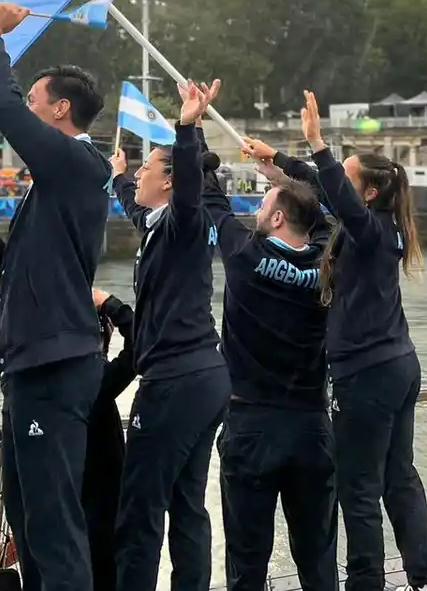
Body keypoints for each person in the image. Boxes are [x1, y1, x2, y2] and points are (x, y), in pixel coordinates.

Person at [0, 0, 111, 591]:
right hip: (34, 364)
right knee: (31, 522)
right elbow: (31, 268)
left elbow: (3, 106)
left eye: (38, 103)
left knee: (53, 524)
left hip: (54, 367)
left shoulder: (76, 162)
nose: (27, 111)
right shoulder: (57, 183)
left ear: (60, 110)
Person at [301, 91, 427, 591]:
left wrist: (318, 142)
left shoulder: (368, 229)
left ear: (367, 195)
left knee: (358, 488)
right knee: (399, 476)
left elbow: (334, 191)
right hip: (400, 365)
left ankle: (366, 583)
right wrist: (274, 158)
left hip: (366, 374)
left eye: (346, 171)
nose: (337, 173)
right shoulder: (386, 229)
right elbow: (328, 185)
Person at [112, 80, 230, 591]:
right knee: (187, 503)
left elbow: (187, 181)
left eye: (145, 168)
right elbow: (135, 208)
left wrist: (187, 128)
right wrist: (119, 176)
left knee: (139, 509)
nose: (139, 172)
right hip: (205, 376)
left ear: (170, 182)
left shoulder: (186, 219)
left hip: (175, 381)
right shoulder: (159, 223)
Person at [214, 135, 335, 591]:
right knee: (318, 553)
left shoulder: (245, 256)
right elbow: (321, 202)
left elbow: (207, 197)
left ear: (279, 217)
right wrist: (281, 166)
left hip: (252, 423)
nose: (258, 212)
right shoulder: (328, 261)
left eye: (265, 205)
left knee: (247, 558)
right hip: (311, 424)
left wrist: (192, 131)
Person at [84, 289, 135, 591]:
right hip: (106, 507)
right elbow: (142, 343)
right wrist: (112, 305)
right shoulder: (101, 382)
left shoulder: (56, 381)